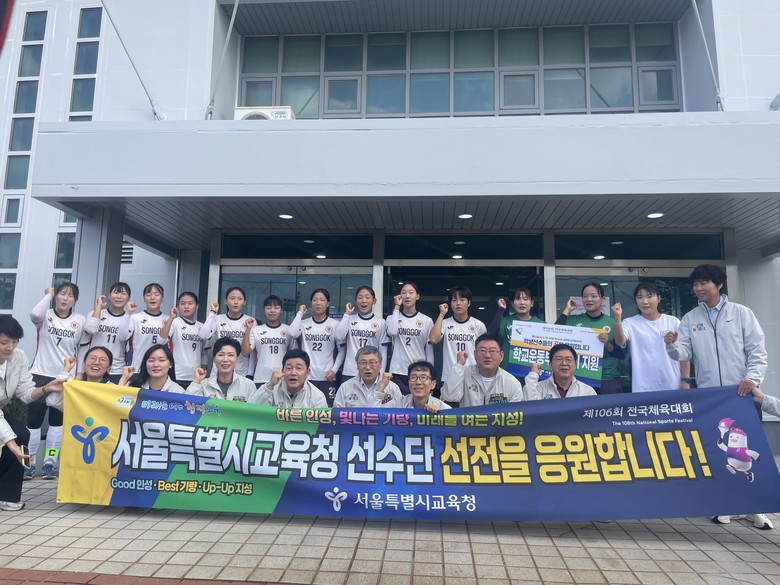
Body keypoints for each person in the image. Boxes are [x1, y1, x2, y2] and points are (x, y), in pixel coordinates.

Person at [664, 264, 771, 530]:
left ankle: (757, 508)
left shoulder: (741, 313)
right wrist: (671, 344)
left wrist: (752, 379)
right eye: (695, 284)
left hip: (742, 394)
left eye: (704, 283)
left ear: (719, 284)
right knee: (717, 450)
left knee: (749, 449)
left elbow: (757, 350)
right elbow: (683, 353)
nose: (699, 288)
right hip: (711, 397)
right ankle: (724, 503)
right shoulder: (691, 318)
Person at [0, 315, 66, 511]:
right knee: (12, 439)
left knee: (21, 434)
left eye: (14, 342)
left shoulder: (18, 357)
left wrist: (46, 388)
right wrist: (11, 445)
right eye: (4, 342)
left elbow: (25, 392)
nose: (10, 347)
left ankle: (7, 496)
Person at [27, 283, 89, 480]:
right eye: (62, 294)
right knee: (34, 422)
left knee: (57, 422)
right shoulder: (46, 315)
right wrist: (48, 295)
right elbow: (34, 314)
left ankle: (50, 462)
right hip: (39, 374)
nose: (65, 298)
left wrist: (79, 373)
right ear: (56, 296)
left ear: (75, 300)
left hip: (65, 376)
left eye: (70, 296)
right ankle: (29, 463)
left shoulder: (80, 320)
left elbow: (82, 349)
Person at [612, 283, 691, 392]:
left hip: (672, 384)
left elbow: (683, 354)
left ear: (658, 299)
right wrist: (617, 318)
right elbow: (620, 341)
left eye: (649, 296)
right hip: (643, 387)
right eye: (640, 297)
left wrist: (685, 380)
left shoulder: (673, 321)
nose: (645, 301)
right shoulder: (630, 323)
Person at [556, 283, 625, 394]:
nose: (589, 299)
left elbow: (621, 354)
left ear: (602, 299)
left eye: (593, 296)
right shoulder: (573, 320)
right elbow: (554, 334)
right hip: (581, 377)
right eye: (585, 296)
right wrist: (567, 310)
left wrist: (607, 344)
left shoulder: (612, 322)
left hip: (607, 378)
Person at [287, 289, 345, 406]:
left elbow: (342, 350)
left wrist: (334, 370)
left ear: (328, 303)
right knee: (304, 408)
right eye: (315, 300)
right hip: (306, 376)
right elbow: (292, 333)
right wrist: (300, 313)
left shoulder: (335, 324)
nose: (318, 303)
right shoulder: (304, 324)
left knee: (327, 410)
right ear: (311, 303)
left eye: (322, 300)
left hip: (327, 376)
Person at [441, 333, 526, 407]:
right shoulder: (463, 374)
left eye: (492, 351)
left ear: (501, 355)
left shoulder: (512, 383)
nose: (487, 355)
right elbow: (449, 397)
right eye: (482, 350)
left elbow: (516, 413)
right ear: (474, 354)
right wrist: (459, 365)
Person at [430, 286, 487, 383]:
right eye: (454, 300)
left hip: (473, 376)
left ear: (469, 303)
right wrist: (441, 314)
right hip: (449, 376)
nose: (458, 303)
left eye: (462, 300)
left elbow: (484, 350)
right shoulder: (445, 323)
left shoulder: (478, 325)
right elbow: (433, 339)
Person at [386, 282, 434, 394]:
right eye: (403, 293)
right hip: (397, 370)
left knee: (418, 403)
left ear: (417, 296)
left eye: (411, 293)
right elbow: (392, 332)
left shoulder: (427, 321)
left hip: (419, 372)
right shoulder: (392, 318)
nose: (407, 296)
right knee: (397, 403)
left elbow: (429, 350)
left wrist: (430, 373)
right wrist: (396, 307)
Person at [334, 286, 389, 384]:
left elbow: (383, 351)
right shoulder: (349, 319)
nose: (364, 301)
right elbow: (338, 336)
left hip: (371, 372)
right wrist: (346, 315)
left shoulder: (381, 322)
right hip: (350, 371)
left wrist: (380, 373)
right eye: (360, 297)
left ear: (374, 301)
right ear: (356, 301)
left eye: (367, 297)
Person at [198, 287, 254, 378]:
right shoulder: (218, 319)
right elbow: (203, 335)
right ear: (225, 301)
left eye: (240, 299)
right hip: (218, 371)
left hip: (241, 372)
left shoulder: (250, 321)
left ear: (244, 302)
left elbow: (248, 352)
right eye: (232, 298)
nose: (236, 302)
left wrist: (250, 374)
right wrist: (212, 313)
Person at [84, 282, 133, 383]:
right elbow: (91, 329)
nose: (119, 296)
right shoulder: (96, 313)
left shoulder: (131, 319)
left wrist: (128, 313)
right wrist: (99, 306)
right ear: (109, 296)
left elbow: (123, 337)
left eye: (123, 293)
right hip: (95, 366)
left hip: (117, 369)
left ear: (128, 298)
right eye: (116, 292)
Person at [187, 338, 263, 402]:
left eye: (230, 355)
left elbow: (255, 411)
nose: (225, 359)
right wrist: (196, 381)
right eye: (221, 355)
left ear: (237, 359)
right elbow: (187, 405)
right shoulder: (204, 385)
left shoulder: (248, 385)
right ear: (214, 359)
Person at [489, 287, 544, 374]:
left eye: (525, 299)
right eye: (518, 299)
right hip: (508, 374)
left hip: (534, 374)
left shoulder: (541, 325)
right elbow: (491, 334)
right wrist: (501, 310)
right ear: (512, 303)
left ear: (532, 303)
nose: (522, 302)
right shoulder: (506, 322)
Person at [241, 295, 292, 387]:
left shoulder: (288, 330)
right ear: (264, 310)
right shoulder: (256, 330)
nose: (272, 311)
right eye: (268, 308)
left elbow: (294, 354)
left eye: (276, 308)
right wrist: (248, 329)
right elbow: (245, 352)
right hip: (261, 378)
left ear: (281, 310)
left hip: (282, 377)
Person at [159, 291, 207, 387]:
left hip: (196, 375)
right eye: (182, 303)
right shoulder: (175, 322)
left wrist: (204, 372)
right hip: (177, 375)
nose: (186, 306)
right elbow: (161, 341)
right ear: (177, 306)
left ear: (197, 306)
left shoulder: (202, 327)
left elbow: (204, 353)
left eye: (190, 303)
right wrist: (171, 318)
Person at [332, 346, 401, 408]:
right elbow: (336, 414)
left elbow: (401, 413)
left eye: (372, 362)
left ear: (380, 365)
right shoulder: (345, 387)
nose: (367, 367)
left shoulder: (393, 388)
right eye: (363, 362)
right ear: (357, 365)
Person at [258, 349, 328, 408]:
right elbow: (253, 412)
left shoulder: (317, 397)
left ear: (307, 372)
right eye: (289, 368)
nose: (293, 373)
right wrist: (269, 386)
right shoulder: (272, 390)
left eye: (299, 368)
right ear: (282, 371)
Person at [524, 344, 597, 399]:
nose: (564, 363)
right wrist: (533, 375)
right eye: (559, 359)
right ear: (550, 364)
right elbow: (530, 407)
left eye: (569, 359)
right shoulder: (540, 388)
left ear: (575, 365)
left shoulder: (587, 391)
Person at [128, 283, 167, 374]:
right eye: (148, 295)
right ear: (144, 298)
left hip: (159, 369)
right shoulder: (135, 318)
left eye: (156, 294)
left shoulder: (168, 319)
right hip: (138, 367)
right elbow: (123, 336)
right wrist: (128, 313)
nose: (152, 297)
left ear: (162, 298)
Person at [385, 361, 451, 412]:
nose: (418, 382)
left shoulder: (444, 409)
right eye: (413, 377)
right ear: (409, 383)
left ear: (433, 384)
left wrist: (440, 415)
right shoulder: (396, 405)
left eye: (423, 377)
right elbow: (380, 416)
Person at [61, 346, 134, 386]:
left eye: (102, 360)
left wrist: (124, 379)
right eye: (92, 358)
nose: (96, 362)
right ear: (84, 363)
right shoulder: (74, 385)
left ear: (109, 367)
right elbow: (55, 401)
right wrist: (66, 370)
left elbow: (116, 404)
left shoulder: (111, 387)